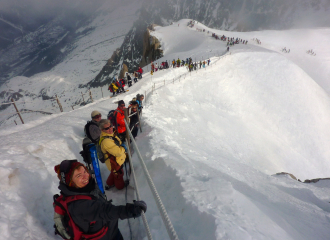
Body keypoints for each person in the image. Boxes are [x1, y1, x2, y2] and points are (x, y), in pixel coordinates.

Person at [54, 160, 147, 240]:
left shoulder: (85, 187)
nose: (85, 176)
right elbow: (106, 211)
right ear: (70, 182)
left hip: (109, 230)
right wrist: (132, 210)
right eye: (78, 176)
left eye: (84, 171)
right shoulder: (79, 206)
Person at [98, 119, 128, 190]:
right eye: (107, 128)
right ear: (102, 130)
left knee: (114, 173)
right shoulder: (106, 141)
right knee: (118, 174)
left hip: (113, 161)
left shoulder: (108, 135)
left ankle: (109, 184)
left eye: (110, 126)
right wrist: (123, 148)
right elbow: (118, 152)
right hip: (114, 163)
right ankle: (120, 186)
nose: (110, 128)